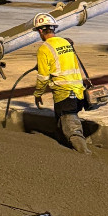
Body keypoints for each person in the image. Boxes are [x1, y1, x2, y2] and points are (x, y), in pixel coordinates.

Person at [33, 13, 90, 155]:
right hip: (78, 92)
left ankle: (85, 154)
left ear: (40, 31)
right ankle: (62, 153)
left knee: (71, 127)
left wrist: (38, 94)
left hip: (64, 93)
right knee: (60, 123)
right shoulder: (66, 43)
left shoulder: (44, 48)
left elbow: (43, 77)